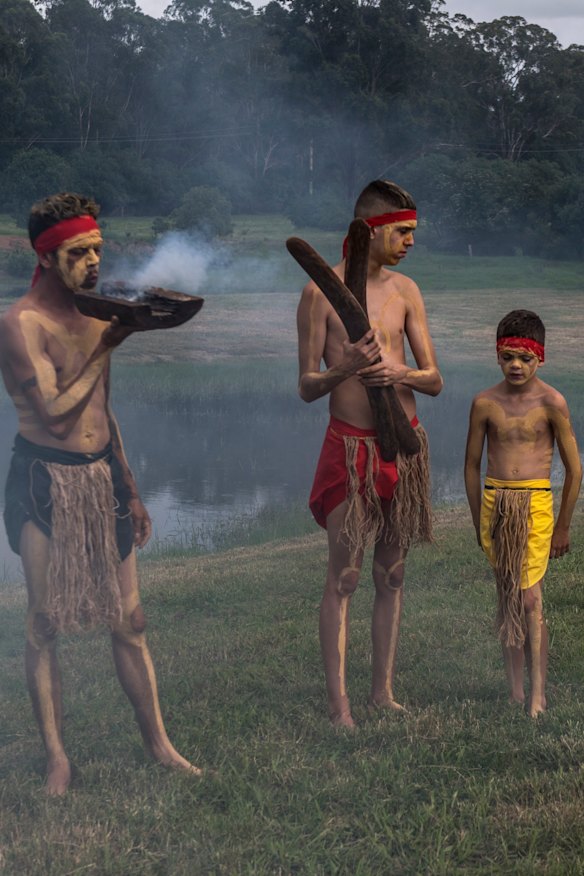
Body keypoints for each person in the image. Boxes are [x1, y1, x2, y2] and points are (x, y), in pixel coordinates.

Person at [0, 192, 199, 794]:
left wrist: (131, 489)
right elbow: (58, 416)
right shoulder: (18, 325)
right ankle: (58, 759)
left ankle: (159, 744)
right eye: (78, 252)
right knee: (44, 622)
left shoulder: (98, 314)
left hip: (100, 478)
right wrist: (109, 345)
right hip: (44, 481)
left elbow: (101, 413)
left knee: (131, 619)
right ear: (45, 257)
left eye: (97, 250)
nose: (93, 262)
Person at [296, 179, 443, 727]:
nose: (410, 241)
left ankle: (383, 692)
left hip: (401, 447)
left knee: (393, 572)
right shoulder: (320, 294)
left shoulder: (407, 291)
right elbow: (308, 387)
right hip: (349, 449)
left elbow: (434, 378)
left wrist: (399, 370)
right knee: (345, 578)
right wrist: (346, 368)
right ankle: (340, 708)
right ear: (371, 230)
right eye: (403, 232)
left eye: (412, 233)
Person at [464, 310, 581, 717]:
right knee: (508, 599)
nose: (516, 365)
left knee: (531, 600)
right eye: (509, 356)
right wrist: (478, 517)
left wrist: (563, 525)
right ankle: (514, 690)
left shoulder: (551, 402)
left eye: (525, 358)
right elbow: (471, 465)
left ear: (540, 358)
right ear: (498, 356)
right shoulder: (484, 403)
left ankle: (538, 694)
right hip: (497, 503)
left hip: (534, 504)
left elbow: (574, 468)